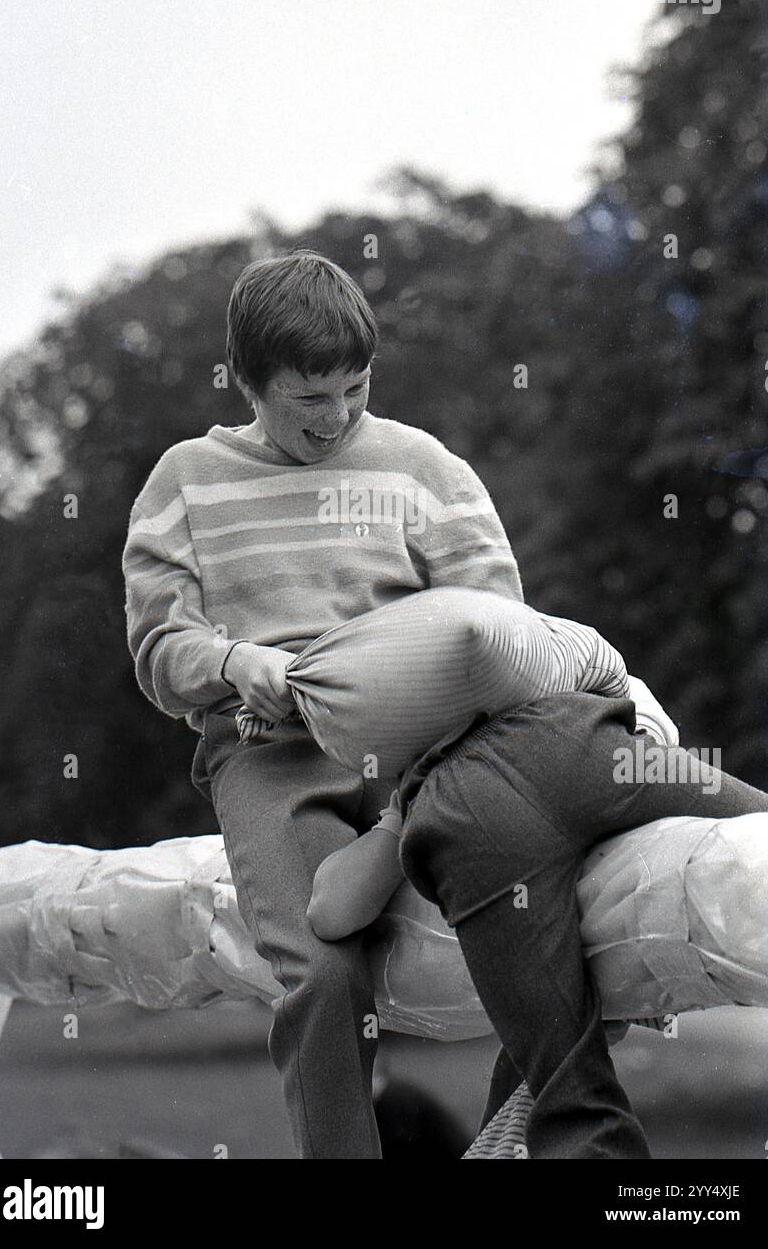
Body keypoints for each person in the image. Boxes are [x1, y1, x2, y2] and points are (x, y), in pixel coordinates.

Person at [121, 248, 526, 1159]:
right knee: (319, 971)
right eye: (311, 397)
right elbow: (157, 654)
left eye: (356, 387)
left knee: (540, 906)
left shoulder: (424, 467)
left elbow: (498, 626)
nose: (337, 415)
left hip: (424, 747)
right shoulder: (183, 480)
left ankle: (523, 1139)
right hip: (267, 756)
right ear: (246, 382)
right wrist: (234, 663)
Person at [306, 631, 768, 1159]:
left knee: (566, 1084)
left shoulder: (429, 769)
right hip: (594, 740)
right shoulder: (545, 664)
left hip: (477, 802)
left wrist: (395, 820)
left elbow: (332, 913)